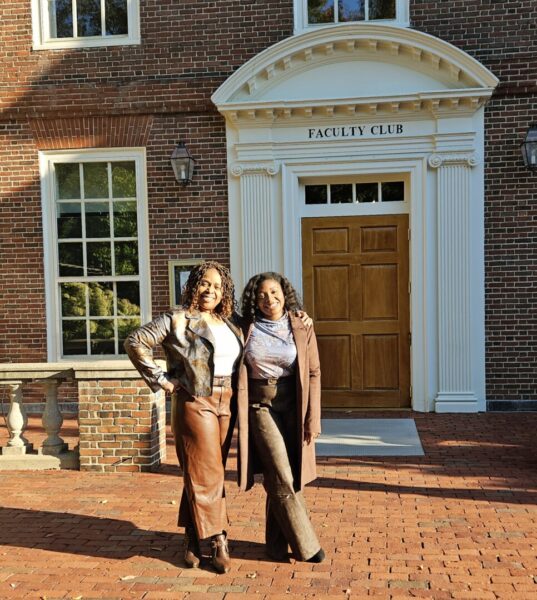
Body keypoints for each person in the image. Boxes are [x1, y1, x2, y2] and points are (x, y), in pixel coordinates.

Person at [124, 261, 243, 574]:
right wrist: (162, 379)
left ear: (224, 293)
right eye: (205, 283)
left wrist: (300, 318)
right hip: (194, 400)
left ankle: (191, 537)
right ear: (193, 285)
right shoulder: (176, 319)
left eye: (217, 287)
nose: (210, 291)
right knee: (210, 471)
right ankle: (218, 540)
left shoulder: (229, 323)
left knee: (203, 470)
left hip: (226, 401)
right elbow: (135, 341)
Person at [237, 272, 325, 563]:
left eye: (274, 293)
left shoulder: (301, 325)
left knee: (284, 476)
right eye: (261, 294)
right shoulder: (244, 327)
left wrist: (313, 419)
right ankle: (307, 545)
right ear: (253, 299)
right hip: (260, 406)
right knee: (283, 474)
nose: (269, 299)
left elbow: (313, 372)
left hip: (294, 405)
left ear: (285, 294)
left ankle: (275, 546)